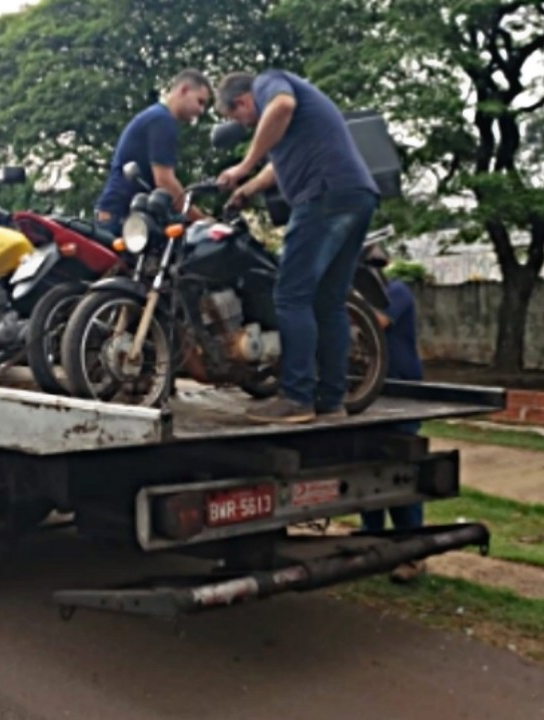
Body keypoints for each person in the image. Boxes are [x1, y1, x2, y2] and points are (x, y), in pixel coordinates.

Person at [215, 69, 381, 424]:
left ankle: (297, 397)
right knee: (329, 301)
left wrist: (243, 166)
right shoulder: (292, 120)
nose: (244, 125)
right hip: (356, 195)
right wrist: (247, 189)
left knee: (291, 295)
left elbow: (282, 106)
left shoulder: (268, 83)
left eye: (237, 117)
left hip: (323, 196)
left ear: (243, 100)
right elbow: (277, 166)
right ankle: (332, 402)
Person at [360, 272, 427, 583]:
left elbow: (377, 322)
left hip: (401, 394)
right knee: (365, 466)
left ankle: (411, 554)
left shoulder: (397, 292)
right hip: (369, 393)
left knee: (399, 471)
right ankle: (372, 544)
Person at [93, 69, 213, 237]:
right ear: (184, 90)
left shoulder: (156, 115)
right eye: (200, 102)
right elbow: (164, 181)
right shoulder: (163, 120)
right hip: (123, 219)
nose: (201, 111)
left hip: (121, 215)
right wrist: (202, 221)